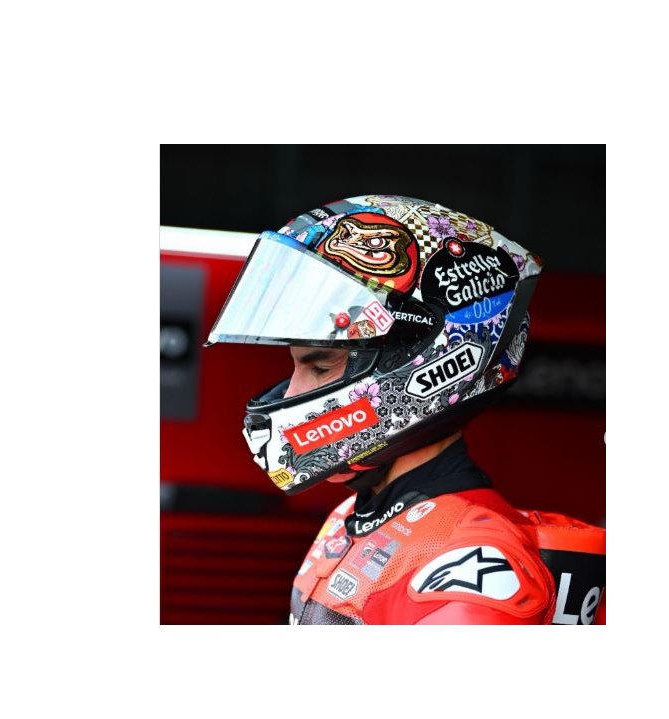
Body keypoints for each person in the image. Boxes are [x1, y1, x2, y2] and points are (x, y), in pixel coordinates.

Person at [205, 194, 598, 624]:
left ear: (423, 361)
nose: (292, 392)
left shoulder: (470, 569)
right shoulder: (352, 515)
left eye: (319, 366)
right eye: (296, 366)